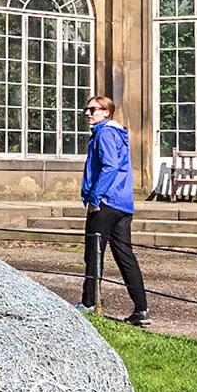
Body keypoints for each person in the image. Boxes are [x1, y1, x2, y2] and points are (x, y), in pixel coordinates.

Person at [74, 96, 150, 326]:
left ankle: (88, 303)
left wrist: (95, 196)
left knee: (93, 254)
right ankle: (141, 309)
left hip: (106, 203)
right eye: (86, 109)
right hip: (123, 204)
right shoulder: (116, 133)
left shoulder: (105, 133)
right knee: (125, 256)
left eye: (93, 109)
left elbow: (110, 166)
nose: (88, 113)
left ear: (106, 112)